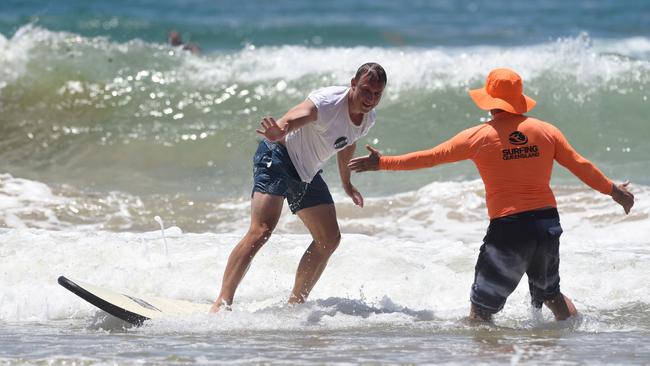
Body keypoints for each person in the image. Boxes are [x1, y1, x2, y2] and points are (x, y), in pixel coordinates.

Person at [348, 68, 634, 322]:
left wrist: (382, 162)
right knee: (551, 296)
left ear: (489, 100)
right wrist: (613, 191)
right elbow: (580, 165)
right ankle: (574, 346)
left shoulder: (479, 136)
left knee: (481, 313)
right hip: (546, 225)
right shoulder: (546, 131)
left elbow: (430, 157)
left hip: (509, 229)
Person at [209, 63, 387, 312]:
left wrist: (346, 183)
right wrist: (281, 128)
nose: (370, 99)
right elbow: (298, 115)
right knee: (261, 231)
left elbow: (347, 143)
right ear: (353, 84)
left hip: (307, 171)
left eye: (377, 94)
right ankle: (222, 303)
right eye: (366, 90)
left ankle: (295, 305)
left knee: (329, 239)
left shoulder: (369, 118)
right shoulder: (327, 102)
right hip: (278, 155)